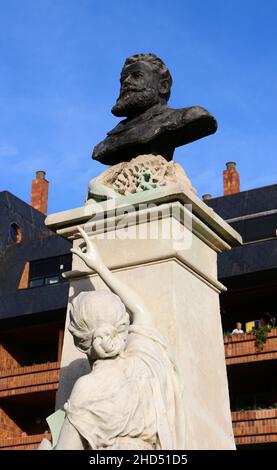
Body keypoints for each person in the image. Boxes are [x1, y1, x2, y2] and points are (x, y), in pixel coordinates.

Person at [55, 227, 185, 450]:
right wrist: (99, 267)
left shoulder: (87, 387)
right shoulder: (145, 363)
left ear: (80, 341)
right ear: (122, 327)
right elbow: (141, 311)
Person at [92, 53, 217, 165]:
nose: (126, 82)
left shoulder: (189, 115)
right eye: (123, 79)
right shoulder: (106, 143)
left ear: (163, 86)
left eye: (137, 76)